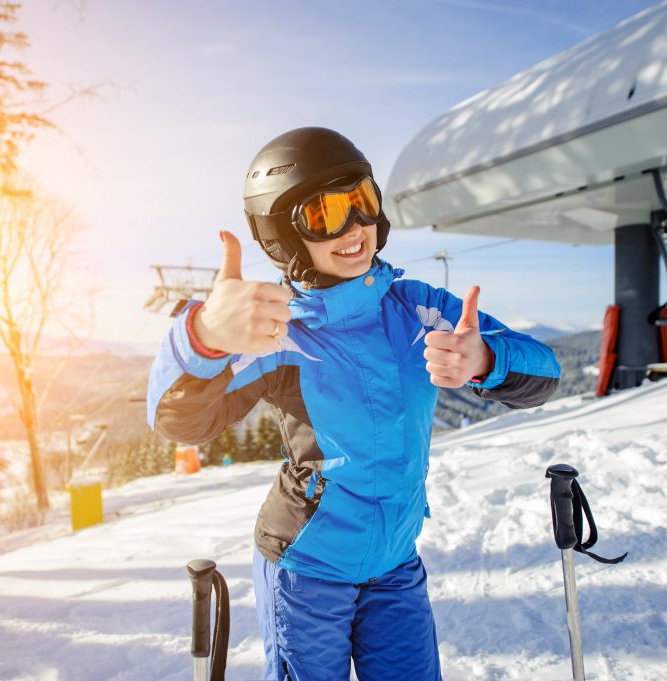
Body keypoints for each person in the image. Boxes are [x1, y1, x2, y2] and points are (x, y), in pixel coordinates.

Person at [146, 127, 561, 680]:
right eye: (323, 214)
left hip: (394, 563)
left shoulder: (418, 309)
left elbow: (545, 370)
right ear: (280, 234)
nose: (354, 228)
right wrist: (205, 336)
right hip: (307, 569)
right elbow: (180, 419)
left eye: (362, 203)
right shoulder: (279, 330)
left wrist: (486, 358)